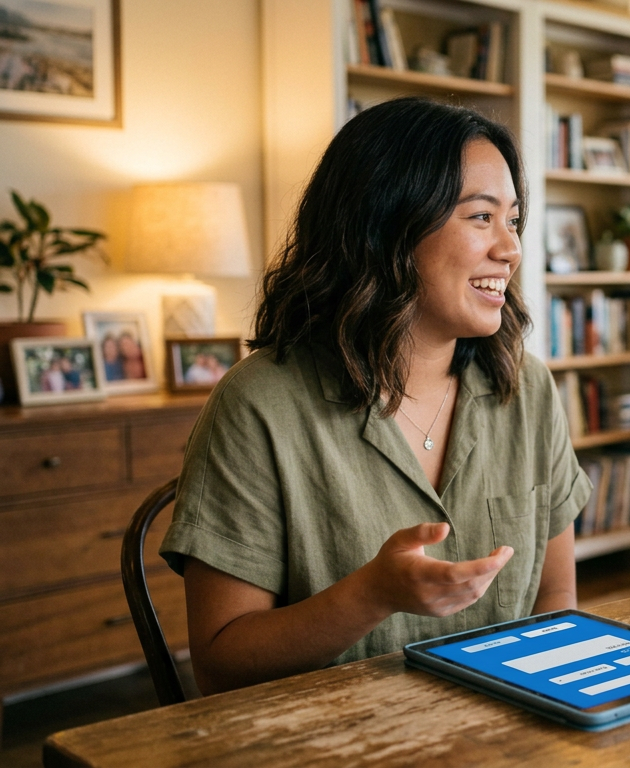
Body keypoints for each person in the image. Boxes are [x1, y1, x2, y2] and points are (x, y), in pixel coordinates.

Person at [160, 97, 592, 695]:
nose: (511, 249)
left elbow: (554, 600)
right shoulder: (258, 403)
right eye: (479, 217)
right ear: (387, 227)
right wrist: (370, 596)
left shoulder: (528, 387)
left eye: (513, 220)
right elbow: (220, 663)